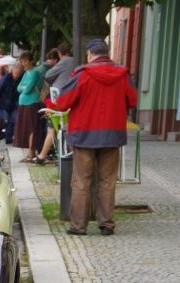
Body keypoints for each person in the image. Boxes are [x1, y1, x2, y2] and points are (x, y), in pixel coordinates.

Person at [55, 38, 137, 236]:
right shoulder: (122, 75)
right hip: (112, 134)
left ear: (90, 54)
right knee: (107, 181)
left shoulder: (82, 74)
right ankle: (106, 224)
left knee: (81, 181)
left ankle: (78, 226)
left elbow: (63, 102)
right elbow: (133, 100)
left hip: (84, 134)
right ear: (107, 54)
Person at [13, 51, 44, 162]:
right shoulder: (27, 73)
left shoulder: (35, 72)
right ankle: (29, 153)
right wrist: (24, 87)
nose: (23, 64)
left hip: (32, 103)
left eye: (25, 61)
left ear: (31, 61)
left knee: (32, 128)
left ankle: (31, 153)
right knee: (25, 128)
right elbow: (18, 88)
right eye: (22, 61)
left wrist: (24, 87)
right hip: (24, 104)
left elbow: (27, 90)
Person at [0, 63, 21, 144]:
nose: (16, 75)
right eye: (15, 73)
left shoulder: (19, 79)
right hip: (3, 104)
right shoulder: (6, 79)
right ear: (12, 71)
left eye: (18, 73)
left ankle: (8, 138)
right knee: (5, 121)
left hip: (13, 105)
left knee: (12, 121)